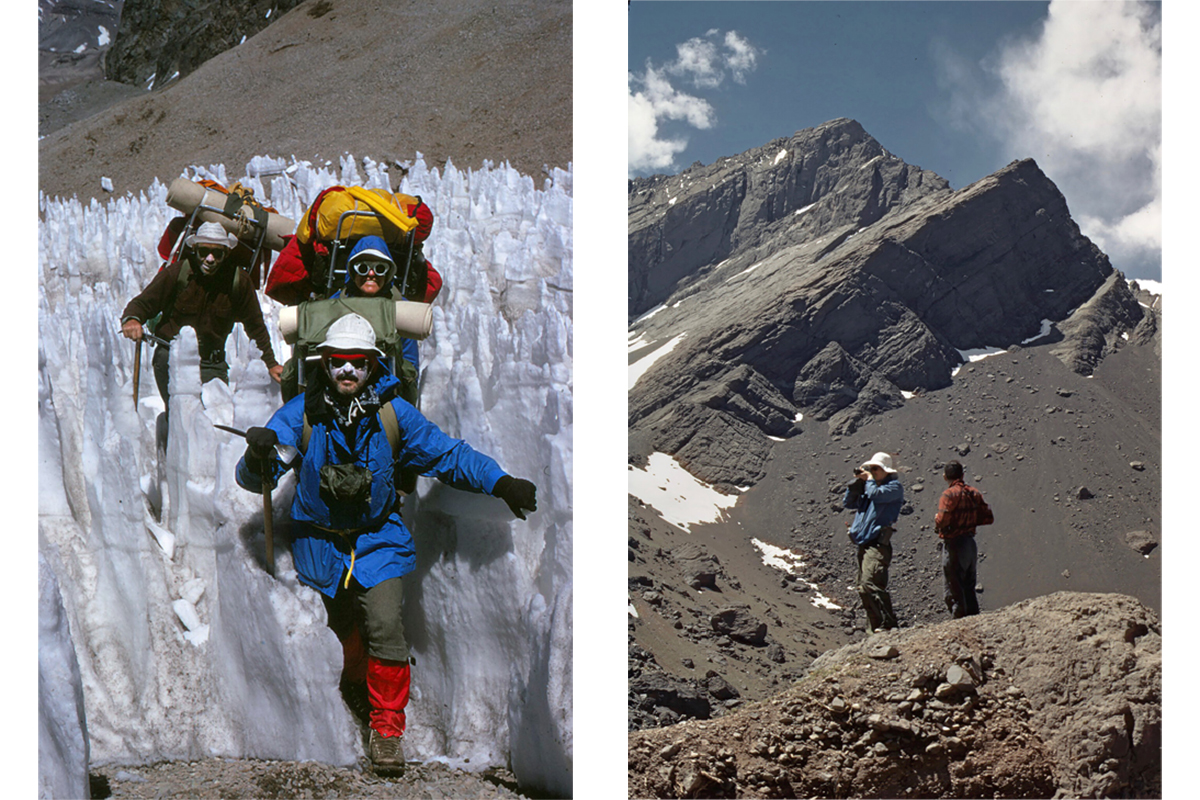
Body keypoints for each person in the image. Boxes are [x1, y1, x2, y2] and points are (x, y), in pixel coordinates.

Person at [234, 313, 538, 774]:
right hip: (320, 546)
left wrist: (501, 483)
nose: (348, 372)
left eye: (358, 363)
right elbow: (257, 473)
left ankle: (388, 730)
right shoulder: (301, 414)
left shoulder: (393, 414)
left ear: (373, 366)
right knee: (339, 632)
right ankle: (354, 681)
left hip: (379, 541)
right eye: (339, 363)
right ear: (325, 364)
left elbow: (447, 454)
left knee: (385, 627)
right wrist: (256, 455)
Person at [121, 221, 284, 406]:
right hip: (172, 358)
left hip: (211, 363)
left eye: (218, 253)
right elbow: (143, 303)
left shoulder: (239, 281)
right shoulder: (177, 273)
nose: (210, 259)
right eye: (204, 252)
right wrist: (132, 319)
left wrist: (270, 363)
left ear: (227, 253)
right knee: (179, 414)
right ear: (195, 251)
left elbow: (255, 325)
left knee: (214, 416)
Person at [843, 451, 904, 634]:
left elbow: (877, 495)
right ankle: (875, 628)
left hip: (878, 544)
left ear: (886, 470)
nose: (873, 471)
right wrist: (856, 484)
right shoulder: (869, 488)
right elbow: (849, 503)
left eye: (876, 469)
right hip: (864, 543)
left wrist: (868, 480)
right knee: (863, 587)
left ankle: (888, 624)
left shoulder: (893, 488)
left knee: (871, 581)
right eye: (871, 468)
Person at [934, 460, 993, 618]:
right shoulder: (973, 492)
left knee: (954, 589)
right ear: (962, 475)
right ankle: (975, 621)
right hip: (969, 543)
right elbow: (988, 517)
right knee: (969, 586)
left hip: (954, 544)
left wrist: (938, 520)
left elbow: (942, 520)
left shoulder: (948, 494)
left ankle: (959, 625)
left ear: (945, 476)